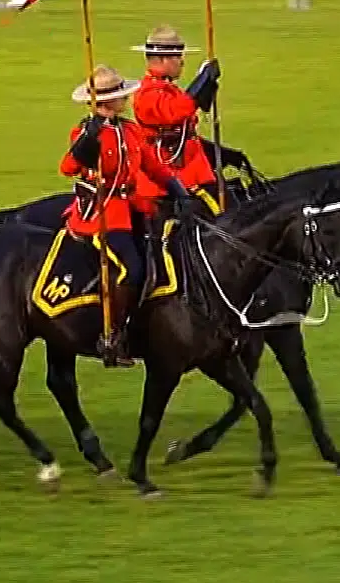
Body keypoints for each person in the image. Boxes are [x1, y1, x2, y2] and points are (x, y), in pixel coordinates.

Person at [60, 64, 191, 367]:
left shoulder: (128, 129)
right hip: (102, 213)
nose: (127, 100)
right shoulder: (85, 131)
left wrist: (178, 190)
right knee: (132, 268)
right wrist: (85, 143)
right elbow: (68, 168)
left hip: (132, 205)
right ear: (106, 101)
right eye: (121, 96)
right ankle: (112, 336)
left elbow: (152, 166)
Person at [130, 24, 222, 218]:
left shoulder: (167, 89)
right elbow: (176, 112)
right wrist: (202, 80)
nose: (182, 62)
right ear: (164, 59)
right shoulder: (148, 94)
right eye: (178, 58)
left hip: (192, 169)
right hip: (170, 173)